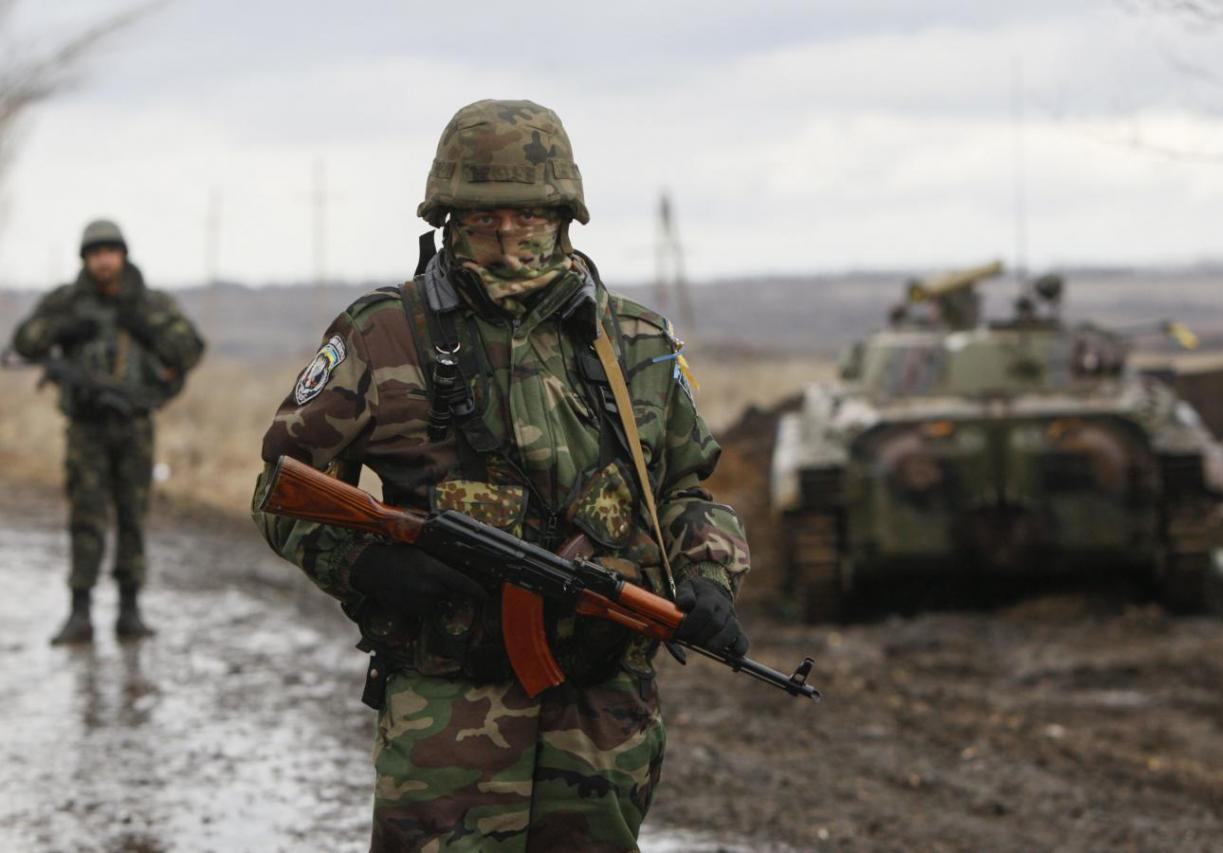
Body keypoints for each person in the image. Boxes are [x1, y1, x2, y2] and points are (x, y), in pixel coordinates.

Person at [251, 99, 751, 852]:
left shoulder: (636, 342)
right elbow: (280, 488)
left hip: (601, 712)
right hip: (446, 713)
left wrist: (710, 575)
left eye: (528, 216)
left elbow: (685, 490)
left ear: (565, 216)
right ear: (448, 220)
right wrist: (369, 561)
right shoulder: (385, 334)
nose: (508, 236)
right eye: (483, 219)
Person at [10, 219, 205, 644]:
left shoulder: (150, 302)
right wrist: (62, 328)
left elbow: (190, 348)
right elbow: (24, 342)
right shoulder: (66, 302)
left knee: (133, 517)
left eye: (110, 251)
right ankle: (79, 611)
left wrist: (144, 323)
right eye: (95, 253)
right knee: (86, 517)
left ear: (122, 255)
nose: (103, 260)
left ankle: (129, 611)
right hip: (86, 429)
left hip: (135, 425)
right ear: (85, 259)